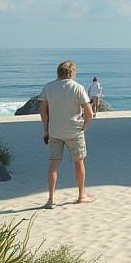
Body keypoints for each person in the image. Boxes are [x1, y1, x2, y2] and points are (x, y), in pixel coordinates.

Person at [39, 60, 94, 208]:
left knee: (54, 164)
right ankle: (81, 196)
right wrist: (84, 128)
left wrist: (46, 130)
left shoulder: (48, 87)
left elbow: (43, 111)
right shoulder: (77, 87)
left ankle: (50, 200)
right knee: (79, 162)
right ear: (72, 72)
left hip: (54, 130)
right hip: (74, 131)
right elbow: (89, 113)